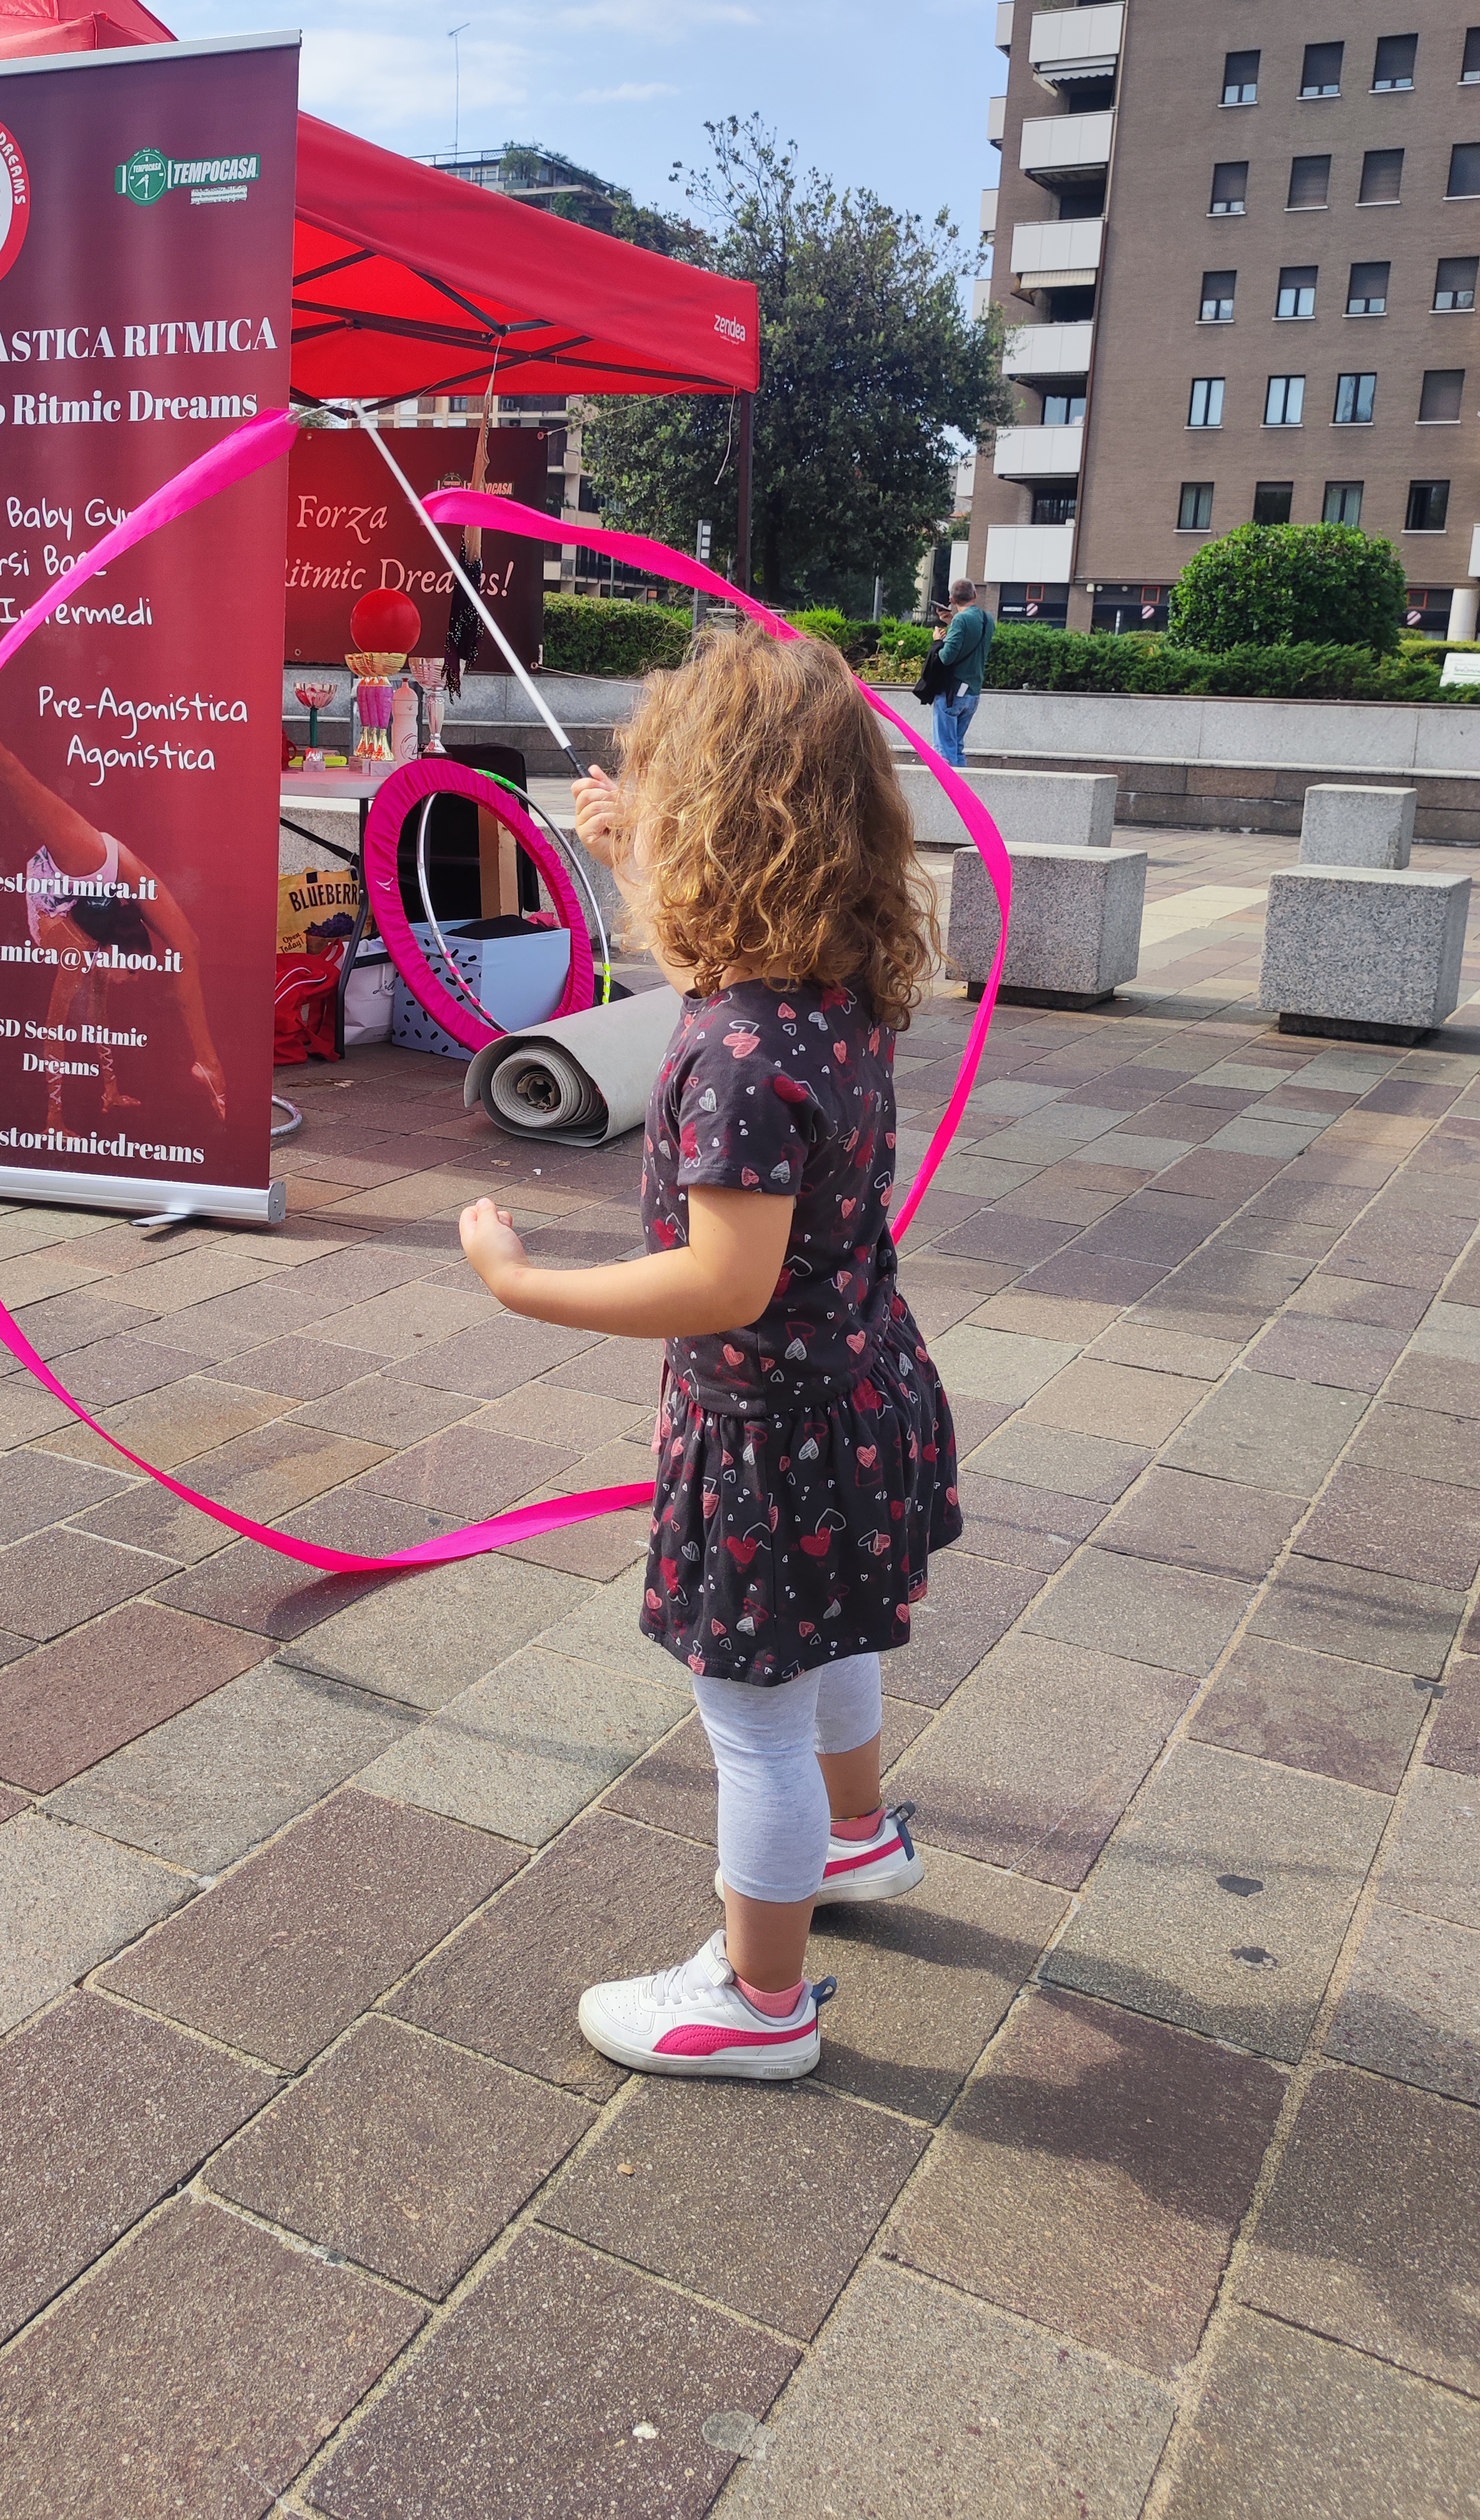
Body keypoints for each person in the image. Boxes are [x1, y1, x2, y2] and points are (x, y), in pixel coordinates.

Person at [456, 623, 958, 2080]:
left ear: (721, 838)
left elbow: (723, 1281)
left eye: (664, 805)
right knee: (838, 1642)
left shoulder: (738, 1050)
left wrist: (526, 1282)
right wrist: (625, 840)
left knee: (754, 1720)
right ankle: (858, 1834)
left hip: (769, 1437)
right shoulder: (826, 986)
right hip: (861, 1390)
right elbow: (708, 946)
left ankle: (760, 1994)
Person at [0, 647, 228, 1130]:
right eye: (128, 973)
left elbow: (100, 1020)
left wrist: (111, 1089)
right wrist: (55, 1114)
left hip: (88, 883)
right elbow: (53, 1031)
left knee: (185, 947)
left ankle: (207, 1065)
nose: (124, 983)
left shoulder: (96, 946)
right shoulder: (82, 943)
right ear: (119, 953)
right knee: (10, 770)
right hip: (85, 868)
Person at [928, 579, 994, 770]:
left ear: (952, 599)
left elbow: (947, 658)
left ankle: (949, 792)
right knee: (956, 747)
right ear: (975, 595)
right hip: (972, 693)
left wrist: (938, 642)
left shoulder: (961, 620)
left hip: (953, 693)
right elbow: (972, 636)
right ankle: (963, 788)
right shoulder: (987, 619)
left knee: (944, 751)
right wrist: (951, 621)